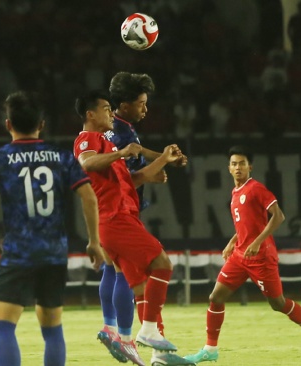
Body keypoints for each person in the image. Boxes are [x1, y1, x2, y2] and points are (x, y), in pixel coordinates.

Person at [0, 91, 104, 366]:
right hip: (54, 252)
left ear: (8, 125)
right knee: (52, 329)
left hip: (18, 251)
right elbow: (89, 197)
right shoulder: (62, 157)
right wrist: (94, 241)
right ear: (42, 124)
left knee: (3, 326)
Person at [74, 90, 194, 366]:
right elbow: (86, 163)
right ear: (90, 114)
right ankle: (145, 331)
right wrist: (124, 153)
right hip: (116, 219)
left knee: (140, 287)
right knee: (162, 264)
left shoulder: (108, 146)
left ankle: (160, 356)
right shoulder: (87, 139)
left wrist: (162, 161)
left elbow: (132, 179)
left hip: (120, 218)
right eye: (106, 109)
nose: (110, 113)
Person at [184, 145, 301, 363]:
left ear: (250, 166)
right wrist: (233, 242)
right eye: (234, 164)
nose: (238, 167)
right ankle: (210, 349)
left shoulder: (256, 189)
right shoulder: (235, 193)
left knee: (277, 303)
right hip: (240, 256)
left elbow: (278, 216)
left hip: (261, 257)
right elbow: (247, 224)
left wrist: (258, 242)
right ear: (229, 168)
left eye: (242, 163)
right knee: (215, 297)